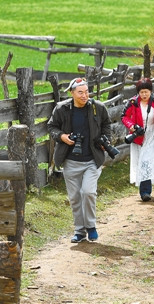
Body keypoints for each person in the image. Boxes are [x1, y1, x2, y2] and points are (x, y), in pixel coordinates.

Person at [48, 77, 113, 243]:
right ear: (72, 93)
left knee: (88, 192)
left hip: (92, 159)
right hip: (70, 161)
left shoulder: (98, 107)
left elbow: (107, 124)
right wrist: (62, 136)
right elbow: (51, 127)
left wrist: (106, 139)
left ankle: (91, 226)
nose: (84, 95)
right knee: (75, 197)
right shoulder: (61, 109)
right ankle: (79, 231)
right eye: (80, 92)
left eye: (86, 92)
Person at [120, 78, 154, 202]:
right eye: (141, 92)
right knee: (141, 161)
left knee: (147, 161)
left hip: (152, 134)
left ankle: (145, 191)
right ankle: (144, 190)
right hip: (139, 136)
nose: (144, 95)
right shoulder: (132, 102)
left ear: (151, 91)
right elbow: (124, 116)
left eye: (146, 92)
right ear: (138, 92)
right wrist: (132, 126)